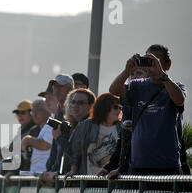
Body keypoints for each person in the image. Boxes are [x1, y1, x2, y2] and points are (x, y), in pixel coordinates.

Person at [109, 44, 186, 176]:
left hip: (167, 165)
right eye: (149, 61)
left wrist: (162, 75)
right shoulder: (137, 86)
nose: (152, 66)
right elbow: (114, 90)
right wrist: (126, 70)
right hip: (138, 165)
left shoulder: (175, 86)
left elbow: (180, 100)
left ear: (168, 65)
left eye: (156, 61)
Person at [41, 88, 96, 183]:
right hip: (73, 185)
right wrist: (56, 174)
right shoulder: (75, 126)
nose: (75, 106)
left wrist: (59, 138)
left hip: (84, 185)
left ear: (91, 106)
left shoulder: (91, 126)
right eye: (73, 102)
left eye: (80, 103)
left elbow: (79, 155)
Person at [65, 93, 122, 179]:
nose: (118, 111)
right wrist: (73, 171)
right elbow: (76, 153)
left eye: (120, 108)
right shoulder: (84, 126)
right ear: (104, 108)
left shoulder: (122, 127)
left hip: (112, 181)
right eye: (115, 107)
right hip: (89, 180)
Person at [21, 99, 54, 173]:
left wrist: (27, 140)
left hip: (47, 174)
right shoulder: (34, 130)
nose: (34, 114)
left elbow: (45, 145)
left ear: (48, 110)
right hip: (35, 173)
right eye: (32, 111)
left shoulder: (53, 125)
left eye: (38, 110)